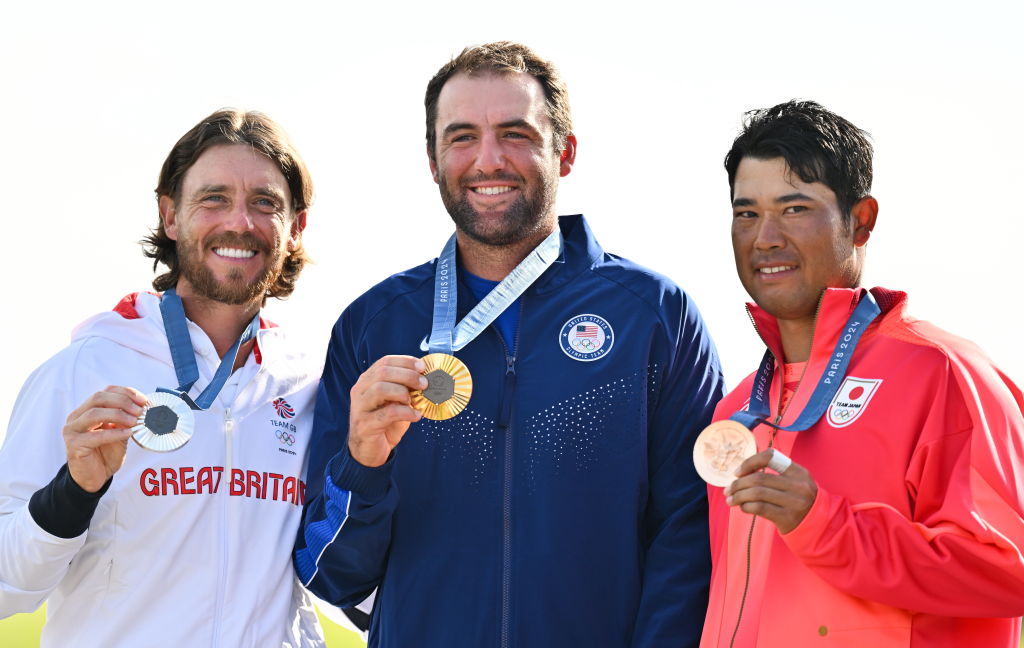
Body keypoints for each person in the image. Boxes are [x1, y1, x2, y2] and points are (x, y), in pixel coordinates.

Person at [295, 42, 725, 647]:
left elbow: (692, 537)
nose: (488, 160)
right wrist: (363, 466)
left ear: (565, 152)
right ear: (432, 158)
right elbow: (330, 575)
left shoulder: (652, 316)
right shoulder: (374, 326)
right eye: (462, 136)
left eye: (516, 133)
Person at [700, 100, 1024, 647]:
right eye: (746, 212)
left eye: (795, 208)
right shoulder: (736, 410)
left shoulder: (941, 371)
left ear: (862, 221)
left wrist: (828, 528)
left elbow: (1010, 569)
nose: (765, 238)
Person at [0, 109, 326, 646]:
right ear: (171, 216)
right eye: (214, 198)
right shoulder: (87, 367)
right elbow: (9, 587)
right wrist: (74, 491)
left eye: (265, 202)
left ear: (296, 227)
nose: (239, 222)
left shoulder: (309, 383)